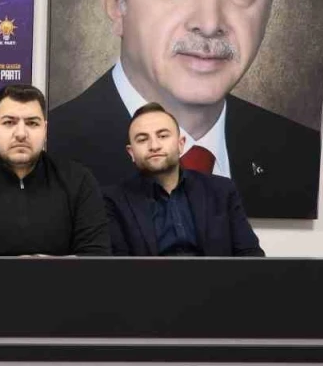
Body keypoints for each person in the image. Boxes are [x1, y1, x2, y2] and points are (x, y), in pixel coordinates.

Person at [49, 0, 320, 219]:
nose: (209, 23)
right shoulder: (46, 157)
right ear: (117, 5)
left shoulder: (305, 157)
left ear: (270, 5)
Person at [0, 84, 109, 256]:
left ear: (45, 130)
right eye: (9, 122)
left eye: (32, 123)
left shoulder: (78, 181)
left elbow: (96, 259)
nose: (21, 134)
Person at [105, 102, 264, 257]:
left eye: (163, 136)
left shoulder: (221, 190)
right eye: (142, 139)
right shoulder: (113, 200)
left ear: (181, 144)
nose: (154, 145)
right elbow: (118, 267)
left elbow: (250, 255)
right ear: (131, 153)